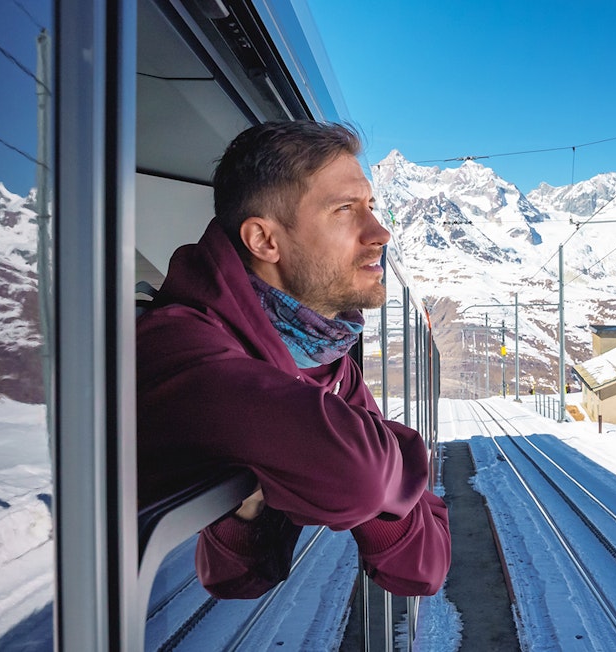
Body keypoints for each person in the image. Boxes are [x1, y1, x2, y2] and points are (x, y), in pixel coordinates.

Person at [136, 120, 451, 599]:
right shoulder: (184, 345)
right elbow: (357, 476)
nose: (380, 232)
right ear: (265, 241)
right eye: (345, 210)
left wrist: (256, 504)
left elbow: (421, 570)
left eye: (370, 206)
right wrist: (397, 454)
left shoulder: (323, 352)